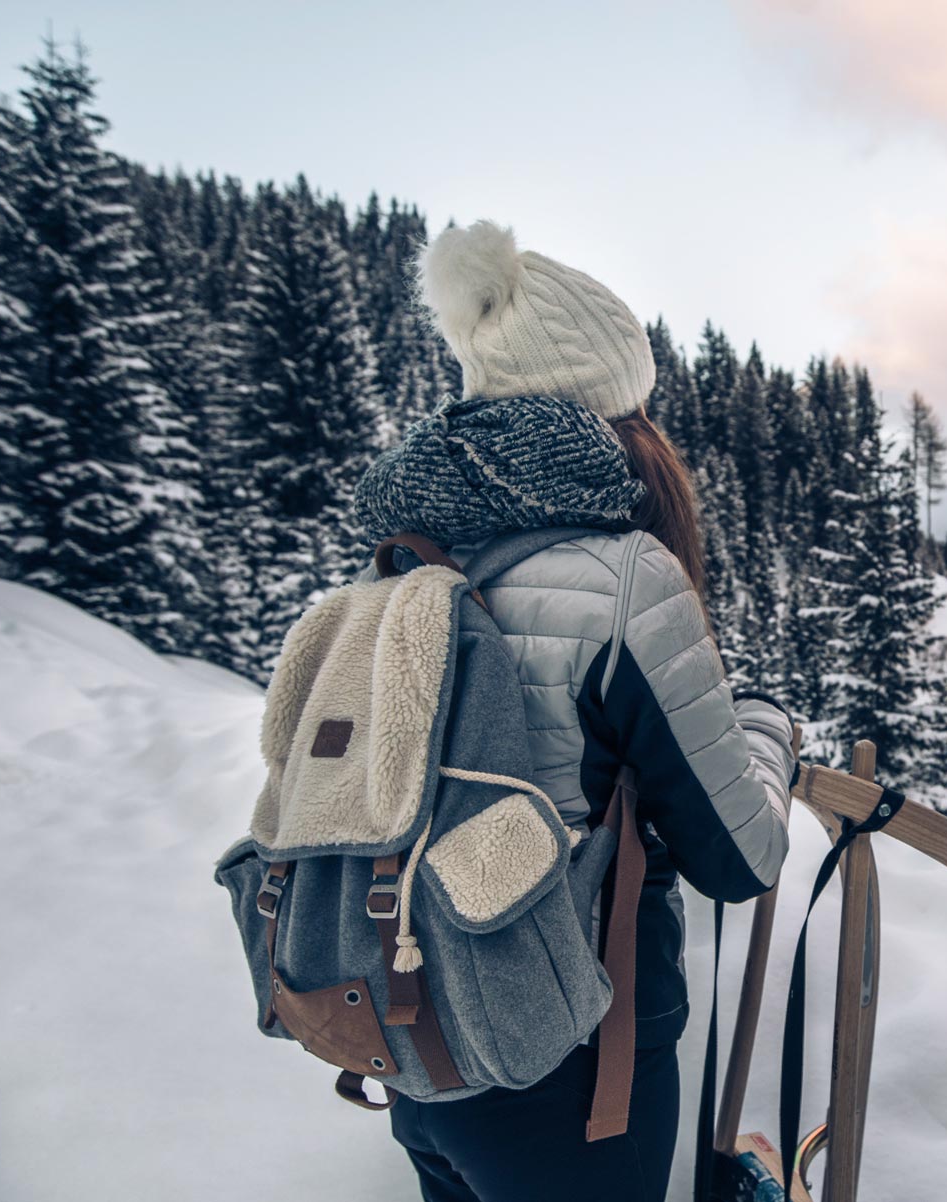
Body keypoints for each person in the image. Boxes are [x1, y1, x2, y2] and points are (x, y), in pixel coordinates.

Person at [351, 221, 795, 1201]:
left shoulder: (400, 566)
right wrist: (763, 725)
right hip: (574, 1079)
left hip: (420, 1055)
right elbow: (740, 856)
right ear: (617, 412)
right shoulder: (626, 578)